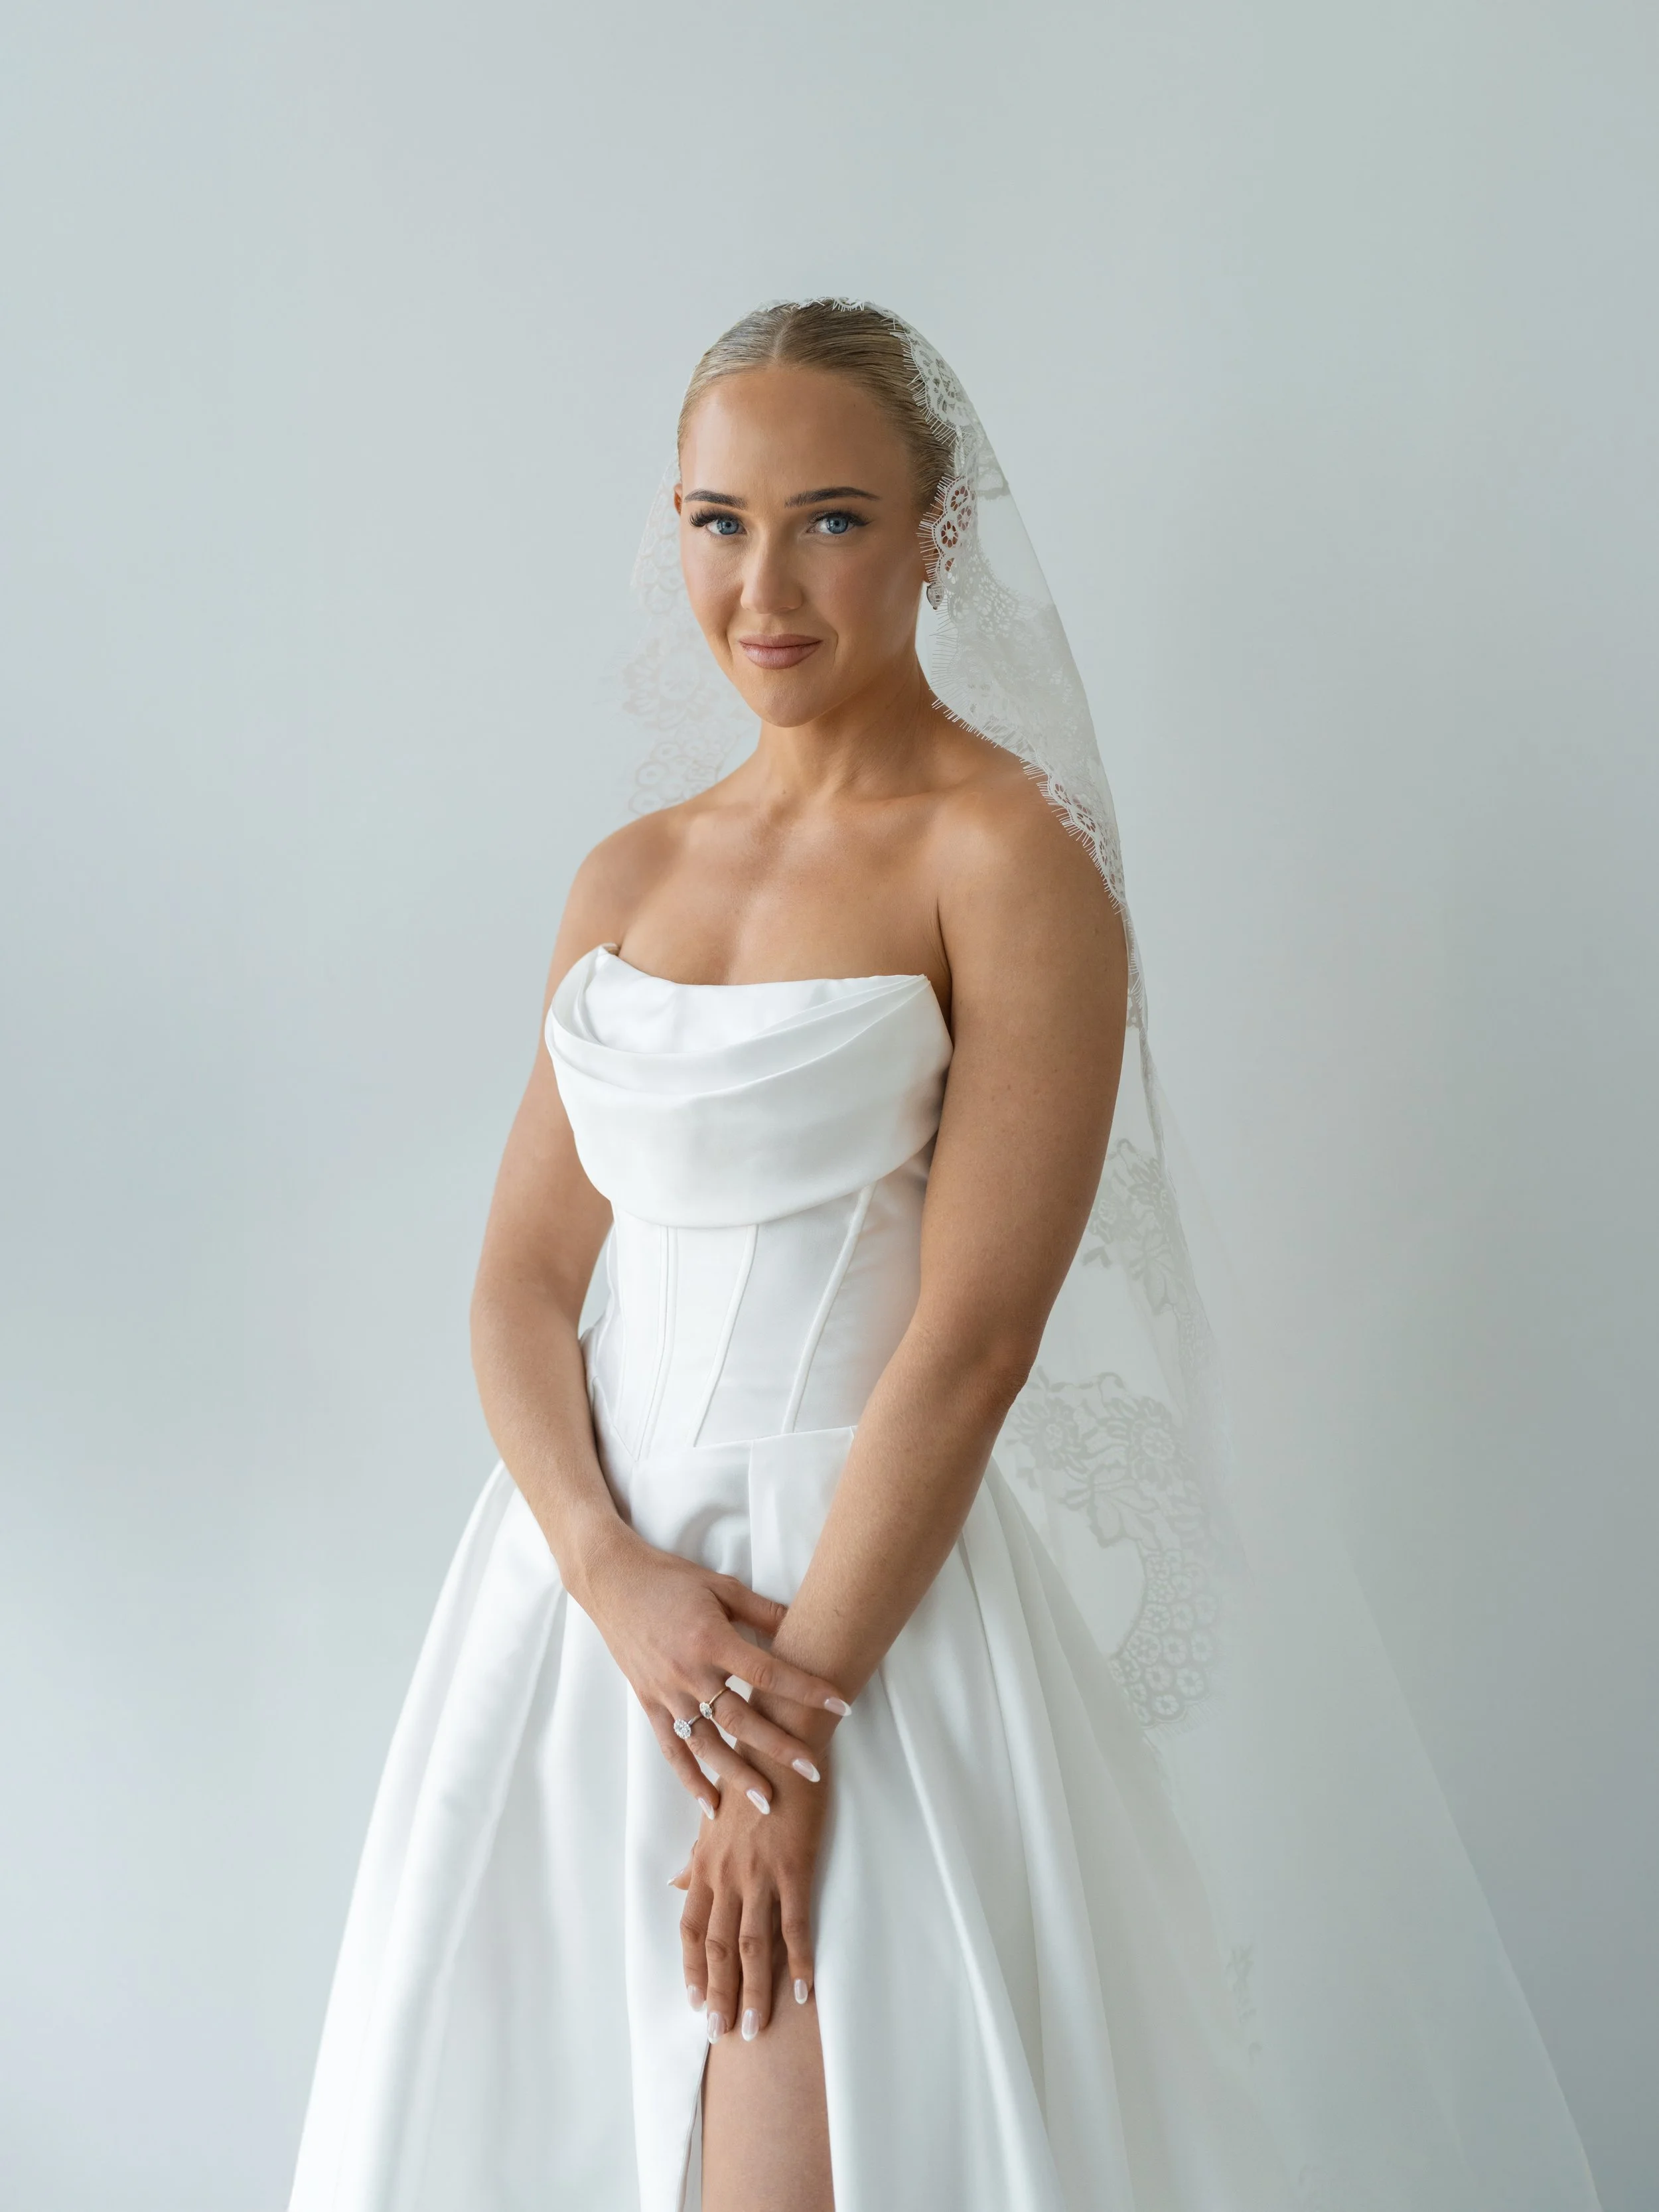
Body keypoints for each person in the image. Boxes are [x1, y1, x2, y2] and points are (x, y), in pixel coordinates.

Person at [288, 301, 1604, 2212]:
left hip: (852, 1628)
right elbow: (514, 1282)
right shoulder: (628, 875)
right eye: (716, 519)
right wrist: (607, 1572)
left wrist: (778, 1745)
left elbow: (974, 1340)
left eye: (828, 518)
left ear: (935, 534)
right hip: (597, 1619)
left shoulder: (1003, 856)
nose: (763, 585)